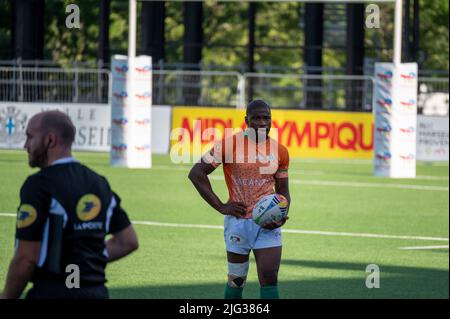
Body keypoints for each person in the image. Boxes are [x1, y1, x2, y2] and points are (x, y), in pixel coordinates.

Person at [0, 110, 138, 299]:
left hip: (53, 293)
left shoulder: (39, 185)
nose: (25, 145)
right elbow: (127, 241)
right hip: (96, 293)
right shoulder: (98, 183)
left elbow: (26, 259)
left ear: (50, 140)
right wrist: (88, 261)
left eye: (30, 137)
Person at [188, 100, 291, 299]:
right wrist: (220, 206)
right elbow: (197, 173)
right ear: (246, 121)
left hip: (267, 225)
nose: (262, 122)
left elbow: (283, 190)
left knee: (269, 276)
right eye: (256, 118)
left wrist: (282, 213)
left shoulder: (281, 151)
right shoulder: (229, 145)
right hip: (238, 223)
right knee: (236, 280)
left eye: (266, 118)